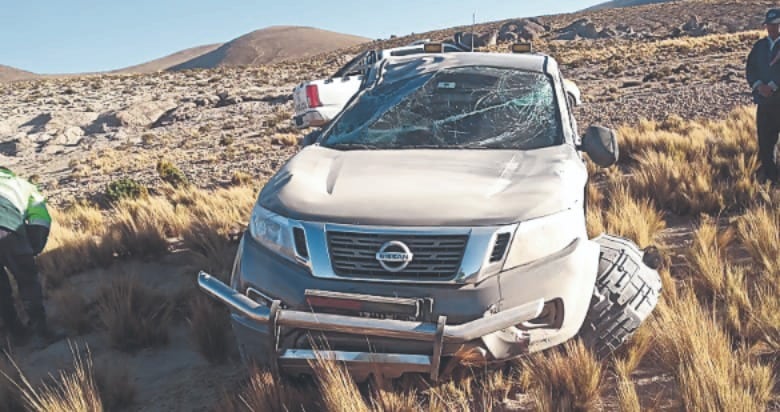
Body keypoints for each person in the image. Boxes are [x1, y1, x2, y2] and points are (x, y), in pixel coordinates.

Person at [0, 166, 52, 343]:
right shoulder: (22, 184)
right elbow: (41, 217)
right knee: (27, 280)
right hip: (8, 228)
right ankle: (40, 331)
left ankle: (16, 333)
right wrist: (33, 248)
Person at [746, 8, 780, 185]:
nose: (773, 28)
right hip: (765, 103)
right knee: (766, 142)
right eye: (770, 25)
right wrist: (759, 85)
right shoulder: (760, 46)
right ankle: (772, 179)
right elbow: (750, 68)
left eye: (776, 25)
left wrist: (774, 85)